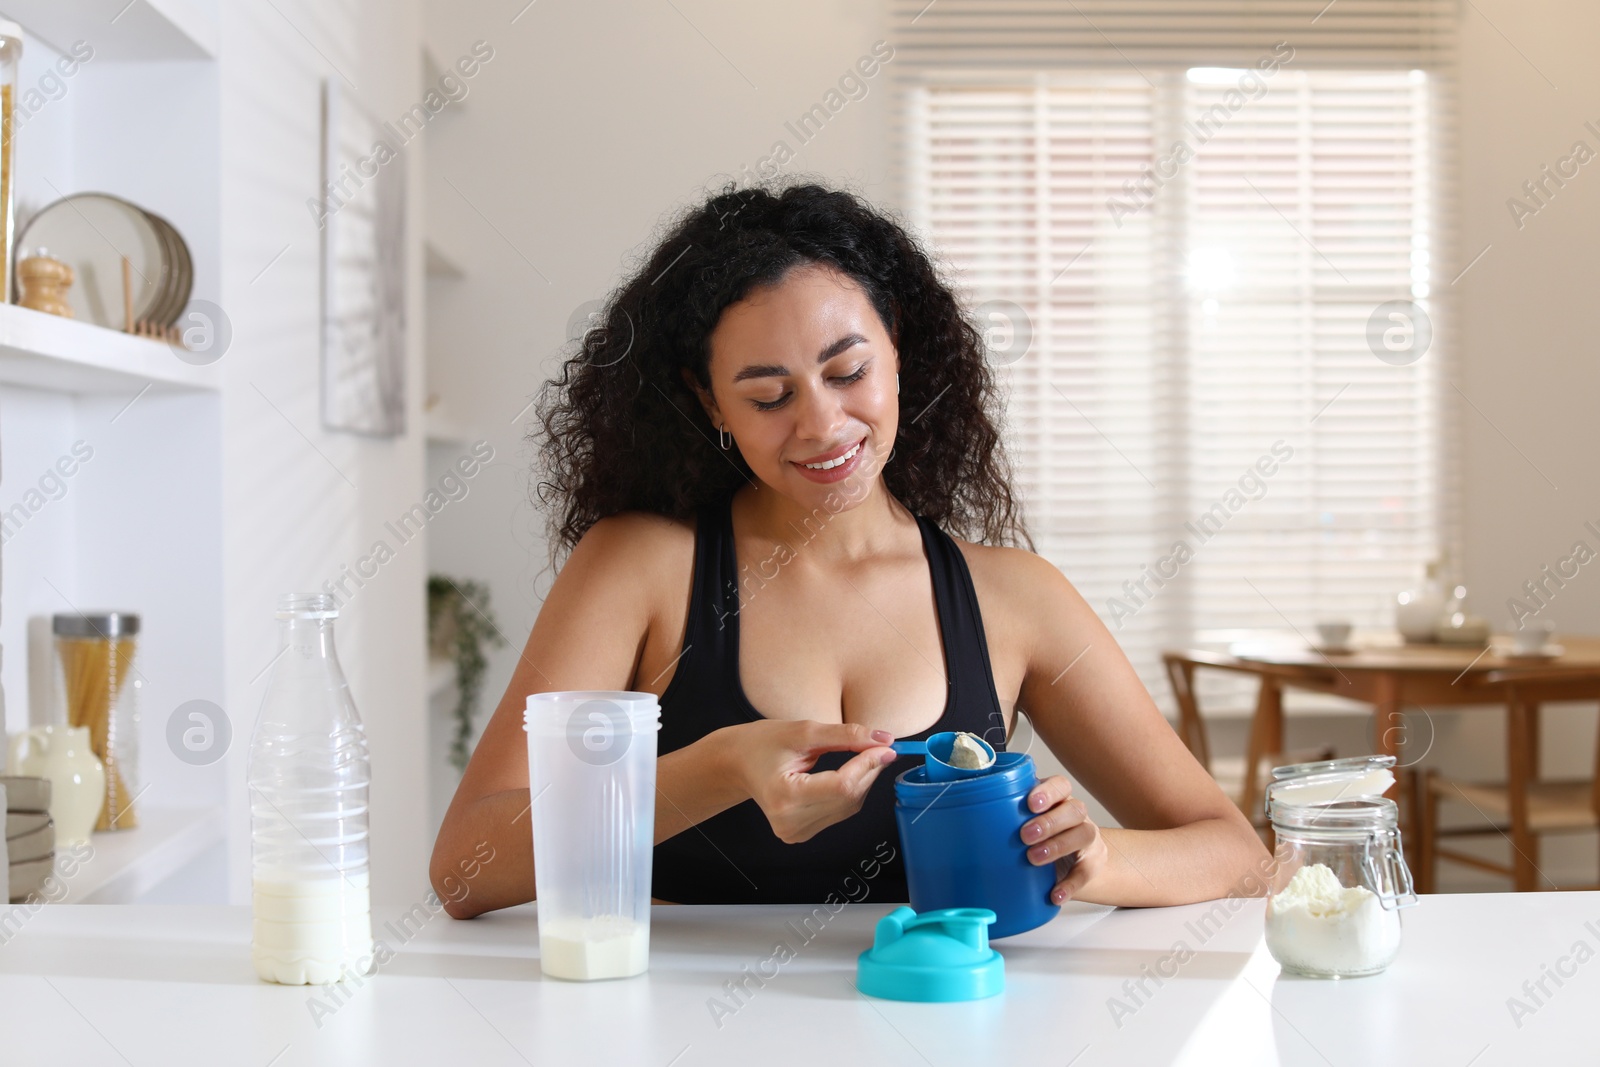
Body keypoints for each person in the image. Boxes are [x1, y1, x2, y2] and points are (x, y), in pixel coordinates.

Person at [429, 181, 1268, 918]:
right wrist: (718, 768)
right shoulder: (639, 568)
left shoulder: (1015, 597)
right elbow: (463, 868)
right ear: (710, 403)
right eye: (768, 395)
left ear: (898, 347)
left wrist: (1096, 859)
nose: (822, 425)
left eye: (847, 371)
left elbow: (1235, 855)